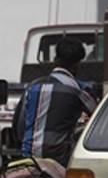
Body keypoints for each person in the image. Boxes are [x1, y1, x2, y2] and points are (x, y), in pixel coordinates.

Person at [12, 37, 97, 168]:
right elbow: (97, 117)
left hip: (29, 156)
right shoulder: (79, 89)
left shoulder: (33, 87)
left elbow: (19, 126)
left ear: (55, 60)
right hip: (61, 159)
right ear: (77, 65)